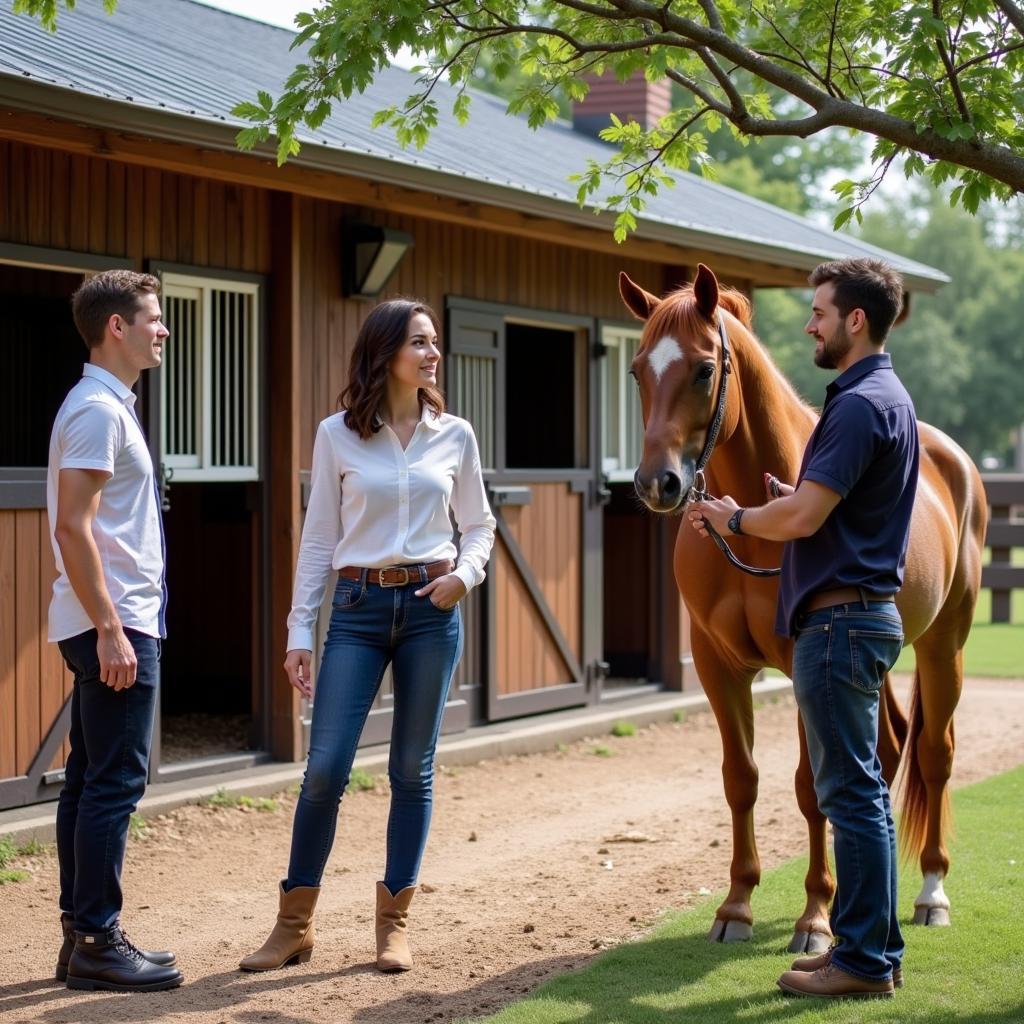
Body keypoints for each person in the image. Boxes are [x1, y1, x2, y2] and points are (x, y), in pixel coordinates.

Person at [241, 298, 495, 975]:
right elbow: (319, 536)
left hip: (431, 611)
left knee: (412, 769)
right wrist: (301, 629)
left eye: (435, 341)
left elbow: (478, 524)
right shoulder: (336, 435)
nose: (432, 352)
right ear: (385, 352)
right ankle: (293, 925)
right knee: (324, 769)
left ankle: (394, 926)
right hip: (355, 608)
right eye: (419, 341)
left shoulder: (456, 435)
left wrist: (463, 577)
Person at [689, 257, 918, 1000]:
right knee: (857, 793)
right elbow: (830, 508)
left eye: (819, 311)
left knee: (848, 796)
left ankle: (862, 964)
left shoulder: (855, 406)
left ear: (856, 321)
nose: (809, 323)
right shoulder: (879, 398)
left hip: (840, 623)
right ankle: (867, 945)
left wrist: (739, 516)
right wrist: (796, 499)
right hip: (857, 615)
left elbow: (804, 520)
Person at [47, 270, 182, 992]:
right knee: (114, 784)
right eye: (154, 319)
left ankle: (80, 936)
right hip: (115, 619)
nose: (162, 329)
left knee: (88, 781)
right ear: (116, 328)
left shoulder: (102, 406)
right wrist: (109, 628)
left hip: (111, 616)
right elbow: (74, 526)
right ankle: (99, 938)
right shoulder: (98, 411)